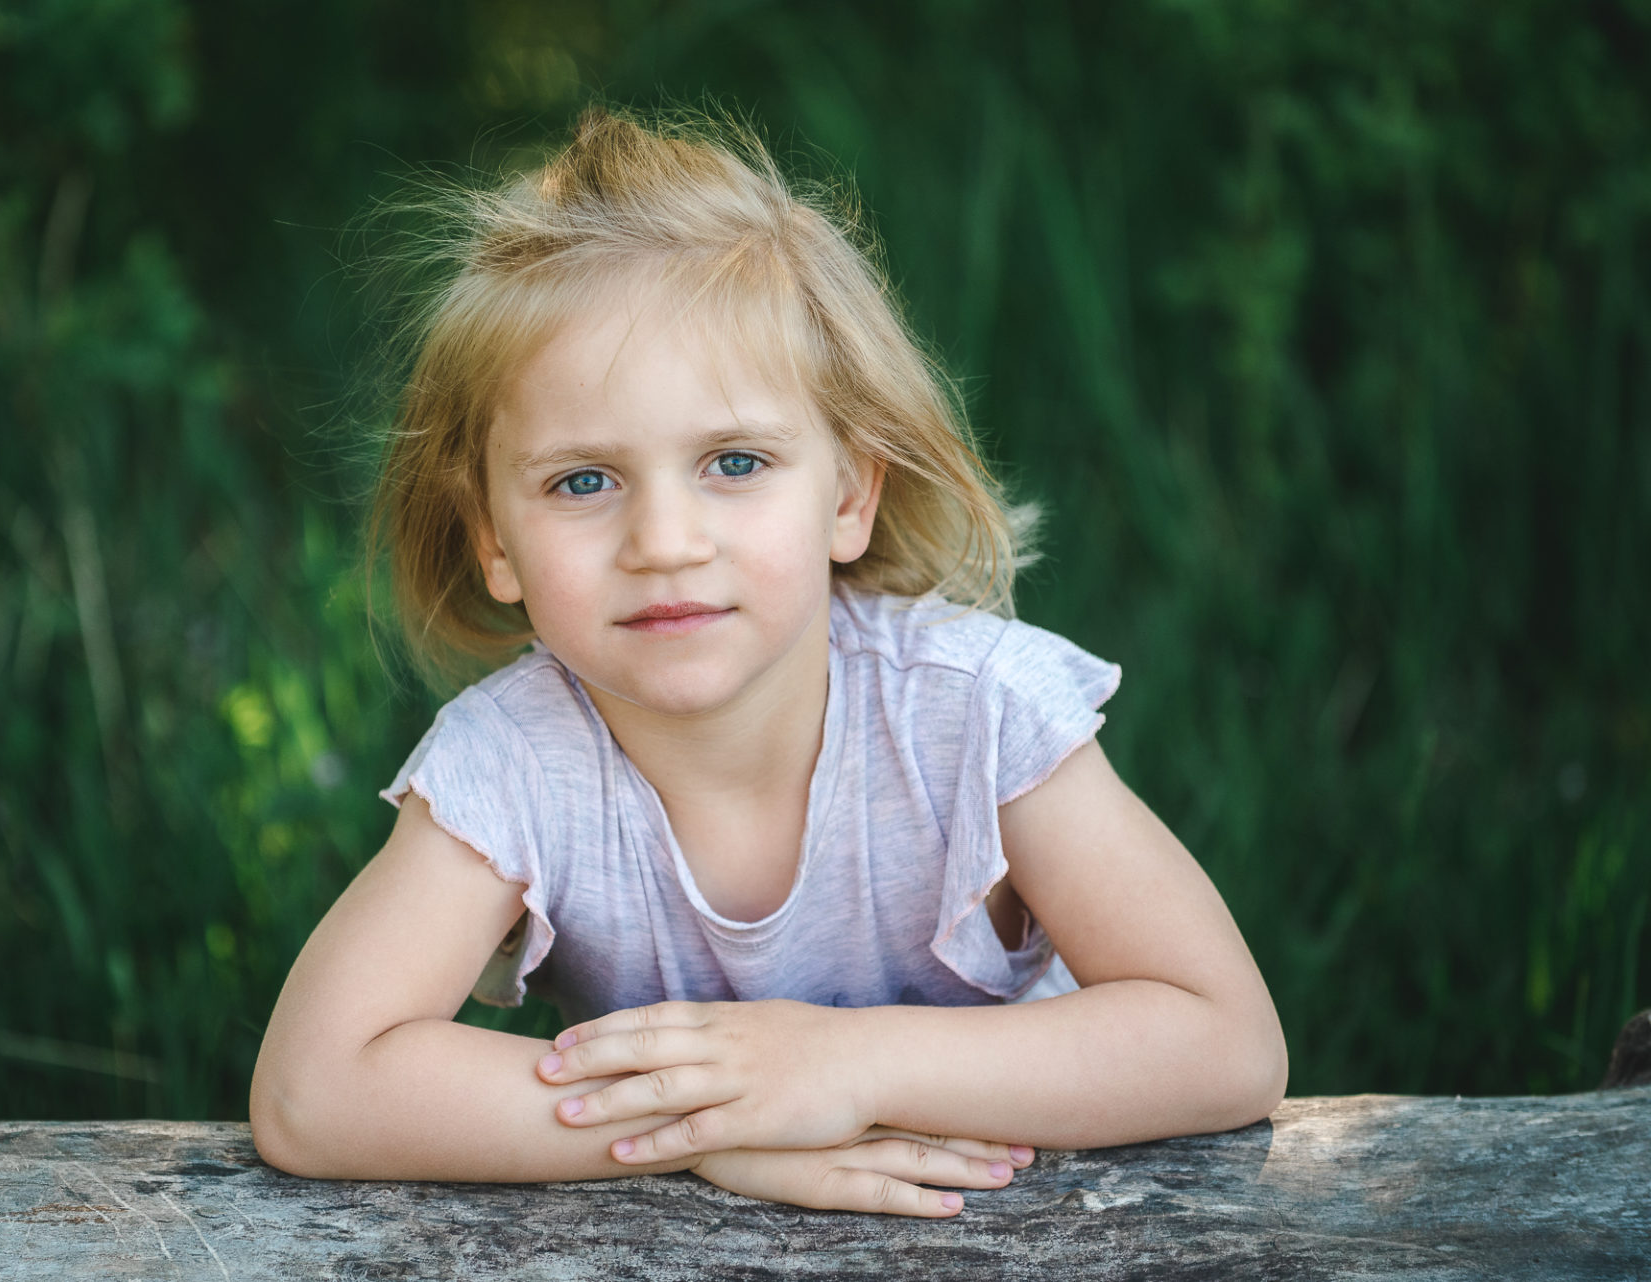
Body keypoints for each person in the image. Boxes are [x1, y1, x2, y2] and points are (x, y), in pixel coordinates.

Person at [250, 104, 1287, 1218]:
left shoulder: (973, 712)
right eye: (583, 482)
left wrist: (839, 1070)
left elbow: (1226, 1040)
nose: (664, 542)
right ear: (493, 538)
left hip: (1047, 1221)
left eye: (733, 461)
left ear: (848, 493)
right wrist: (706, 1133)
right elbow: (314, 1090)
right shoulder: (517, 760)